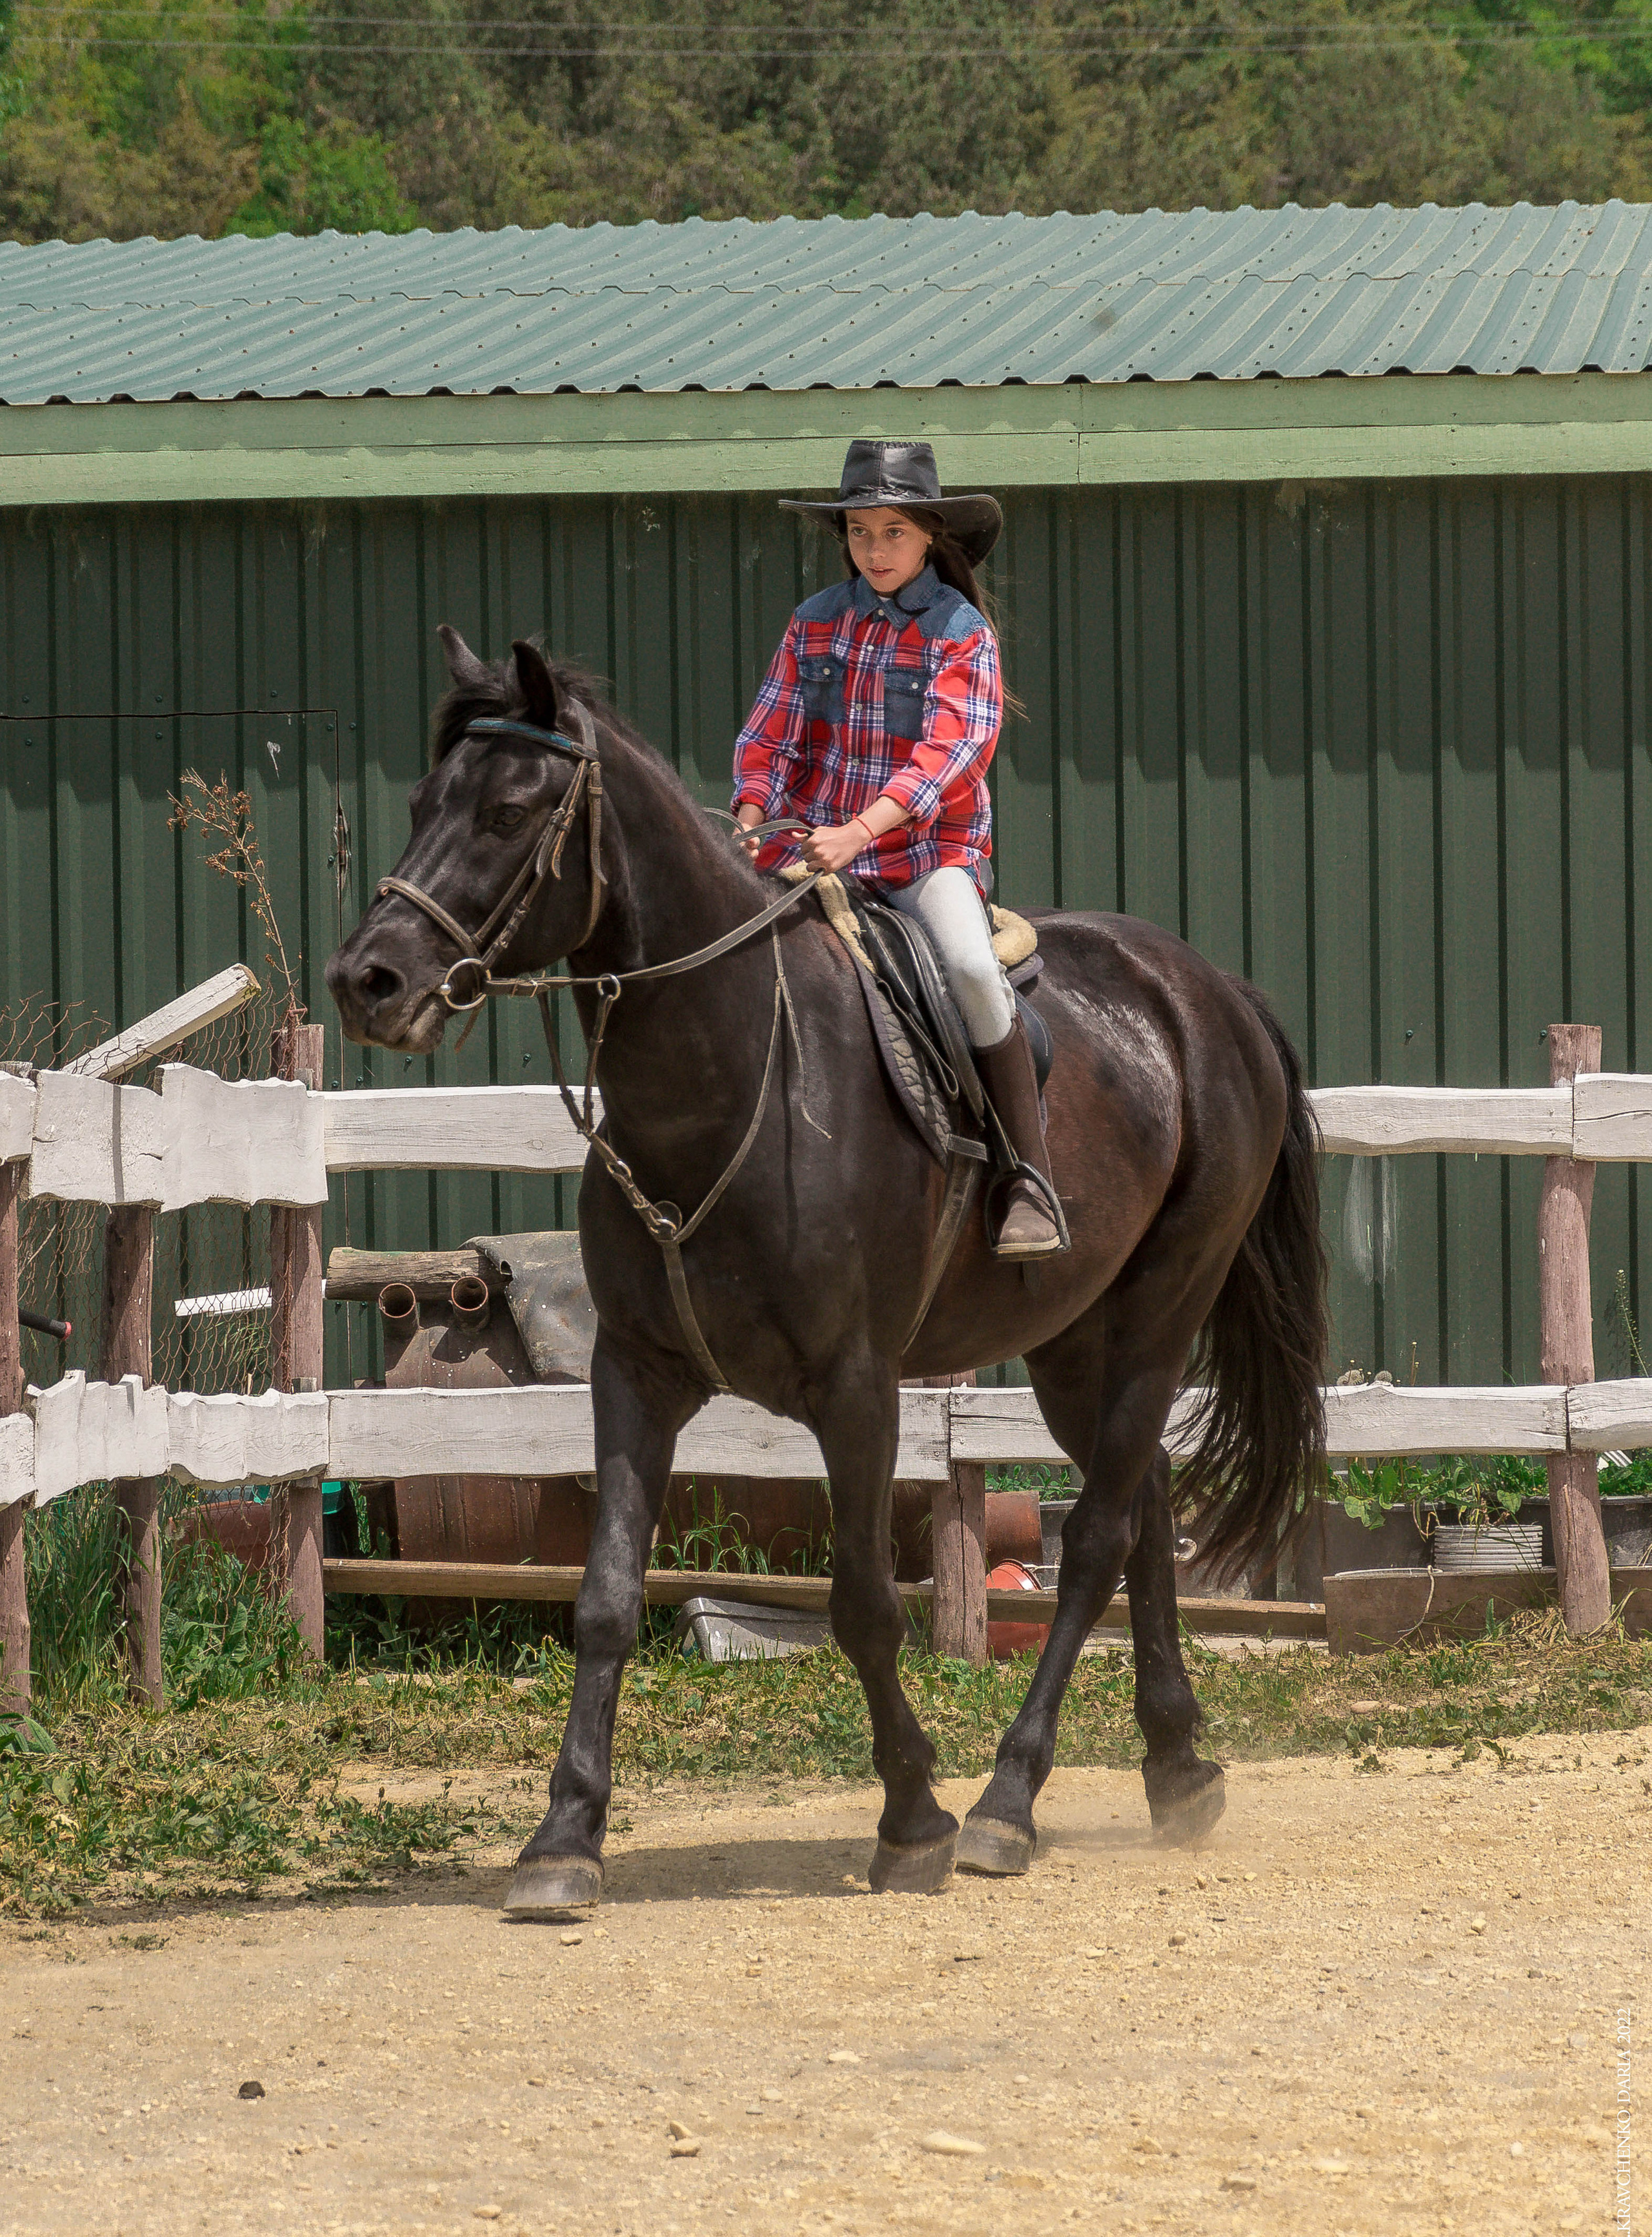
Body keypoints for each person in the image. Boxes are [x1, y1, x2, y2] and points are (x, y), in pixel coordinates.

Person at [732, 438, 1065, 1260]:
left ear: (928, 539)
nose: (873, 550)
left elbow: (950, 757)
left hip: (922, 860)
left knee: (969, 968)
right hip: (811, 851)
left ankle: (1028, 1176)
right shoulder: (813, 622)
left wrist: (860, 830)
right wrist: (749, 816)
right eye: (858, 532)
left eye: (892, 532)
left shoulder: (962, 634)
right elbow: (772, 735)